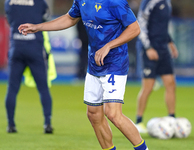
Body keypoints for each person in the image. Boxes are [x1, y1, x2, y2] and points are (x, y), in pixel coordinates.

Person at [18, 0, 149, 149]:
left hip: (115, 63)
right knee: (93, 114)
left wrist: (109, 46)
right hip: (94, 63)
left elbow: (134, 28)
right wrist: (38, 27)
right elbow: (70, 18)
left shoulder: (114, 2)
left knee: (113, 114)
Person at [4, 0, 55, 134]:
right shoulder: (40, 2)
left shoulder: (9, 2)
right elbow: (46, 18)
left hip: (17, 47)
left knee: (12, 88)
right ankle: (47, 123)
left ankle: (10, 124)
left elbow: (9, 18)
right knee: (43, 88)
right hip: (35, 48)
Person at [135, 0, 179, 133]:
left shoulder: (167, 2)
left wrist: (170, 43)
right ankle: (139, 121)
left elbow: (163, 26)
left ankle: (171, 118)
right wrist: (148, 47)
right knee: (148, 86)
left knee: (171, 83)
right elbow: (140, 25)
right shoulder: (149, 2)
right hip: (150, 48)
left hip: (163, 49)